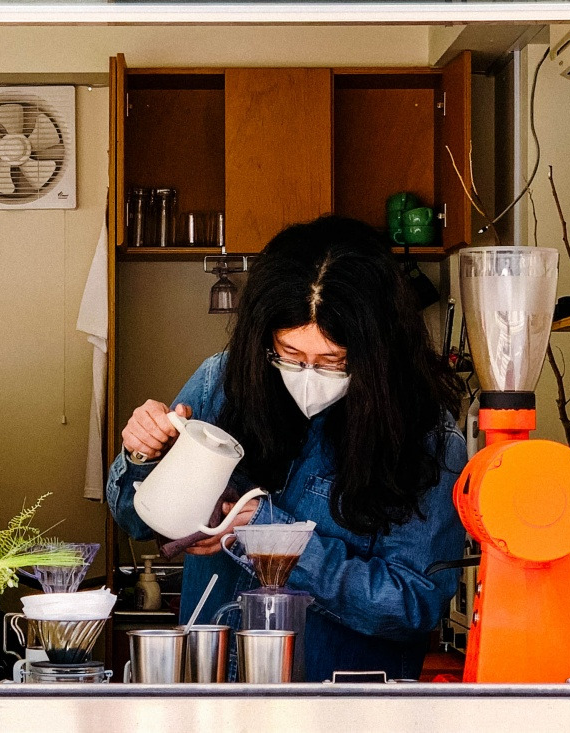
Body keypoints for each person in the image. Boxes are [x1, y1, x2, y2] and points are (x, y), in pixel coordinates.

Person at [106, 216, 467, 681]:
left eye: (333, 361)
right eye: (291, 355)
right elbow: (136, 518)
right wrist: (142, 454)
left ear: (377, 350)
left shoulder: (426, 437)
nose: (308, 377)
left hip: (339, 710)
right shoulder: (225, 382)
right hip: (211, 694)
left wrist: (273, 537)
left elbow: (414, 605)